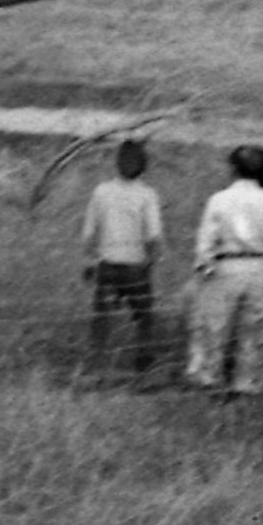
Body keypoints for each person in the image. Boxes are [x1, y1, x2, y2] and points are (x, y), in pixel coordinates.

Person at [186, 142, 263, 400]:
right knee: (253, 329)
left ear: (234, 169)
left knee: (216, 327)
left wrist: (205, 266)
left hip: (226, 266)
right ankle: (246, 383)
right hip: (259, 267)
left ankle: (211, 379)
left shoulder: (219, 200)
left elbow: (206, 240)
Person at [81, 138, 166, 381]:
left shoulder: (101, 191)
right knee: (144, 317)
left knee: (101, 320)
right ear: (144, 165)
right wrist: (152, 262)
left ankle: (96, 367)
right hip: (135, 266)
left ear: (116, 164)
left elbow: (88, 233)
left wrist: (90, 260)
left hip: (107, 264)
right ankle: (144, 363)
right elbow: (154, 236)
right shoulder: (147, 194)